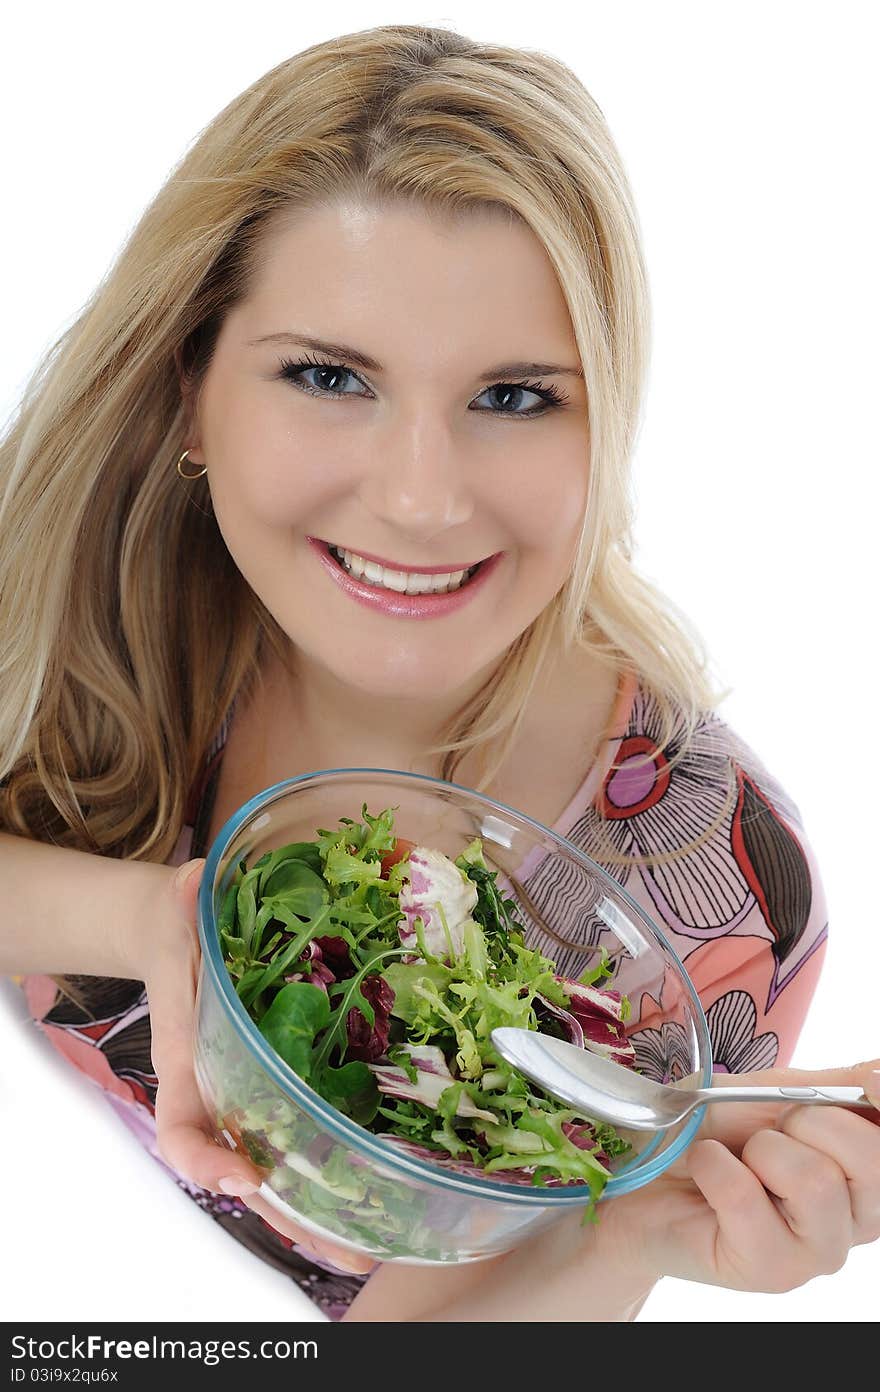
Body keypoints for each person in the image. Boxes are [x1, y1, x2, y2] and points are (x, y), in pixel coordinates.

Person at [1, 22, 878, 1323]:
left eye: (516, 397)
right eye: (327, 376)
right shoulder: (64, 605)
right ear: (188, 393)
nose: (420, 499)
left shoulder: (713, 904)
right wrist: (137, 920)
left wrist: (615, 1244)